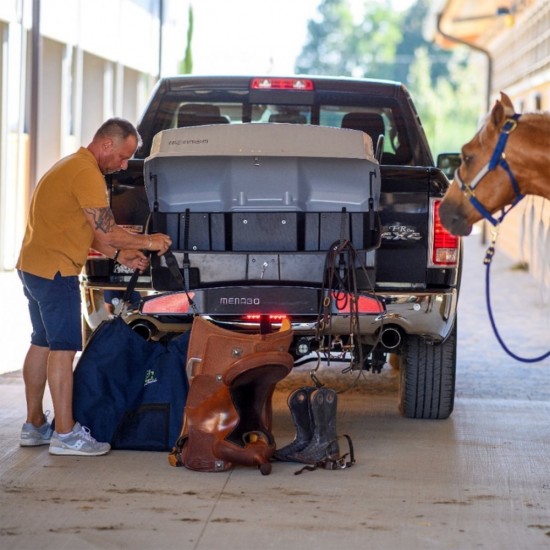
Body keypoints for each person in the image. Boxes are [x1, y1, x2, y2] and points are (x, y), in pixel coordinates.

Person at [17, 118, 172, 456]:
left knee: (42, 342)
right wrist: (149, 241)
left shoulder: (68, 165)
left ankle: (34, 425)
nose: (122, 164)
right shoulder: (86, 172)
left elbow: (91, 234)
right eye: (122, 156)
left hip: (33, 268)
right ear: (106, 145)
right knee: (63, 348)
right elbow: (108, 228)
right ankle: (65, 434)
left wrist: (120, 255)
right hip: (57, 272)